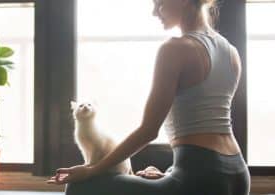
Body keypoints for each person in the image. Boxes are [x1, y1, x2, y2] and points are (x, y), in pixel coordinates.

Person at [47, 0, 251, 194]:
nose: (155, 12)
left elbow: (148, 131)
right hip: (238, 175)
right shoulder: (231, 52)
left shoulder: (175, 48)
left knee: (79, 188)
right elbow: (205, 128)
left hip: (199, 178)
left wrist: (92, 170)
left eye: (160, 4)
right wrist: (170, 174)